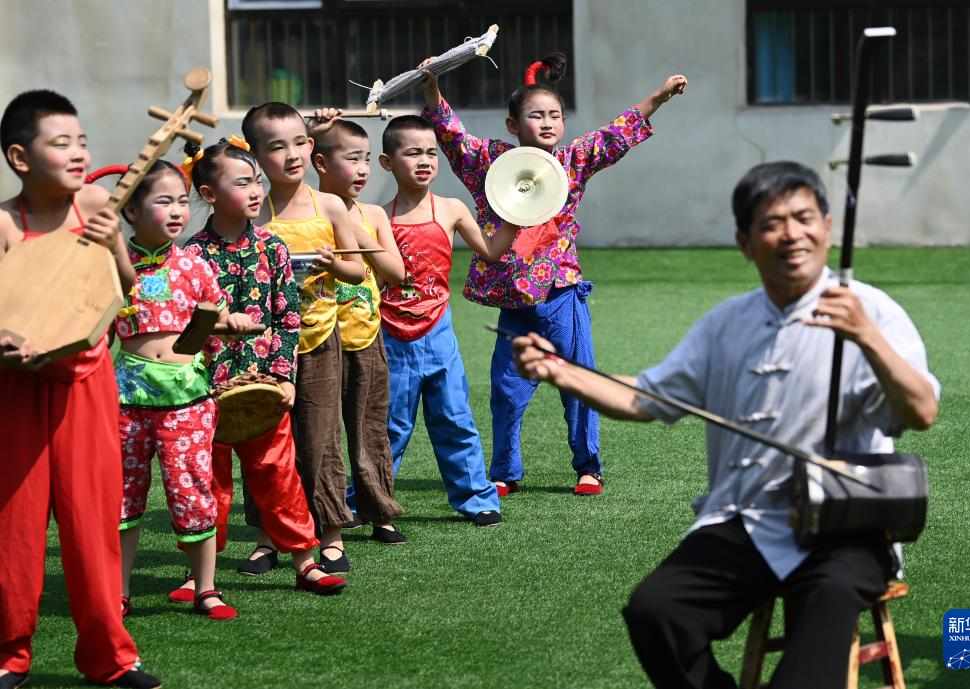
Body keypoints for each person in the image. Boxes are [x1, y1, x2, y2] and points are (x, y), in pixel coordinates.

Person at [512, 161, 940, 689]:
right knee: (655, 612)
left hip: (846, 527)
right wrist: (561, 371)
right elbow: (644, 398)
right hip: (746, 520)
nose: (792, 234)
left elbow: (921, 412)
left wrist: (867, 336)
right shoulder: (726, 323)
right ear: (745, 243)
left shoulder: (874, 311)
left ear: (827, 228)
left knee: (813, 658)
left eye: (804, 218)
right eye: (772, 223)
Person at [421, 52, 688, 496]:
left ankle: (588, 467)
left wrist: (658, 97)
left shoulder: (571, 161)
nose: (547, 122)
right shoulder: (490, 164)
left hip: (563, 296)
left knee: (580, 384)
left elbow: (614, 135)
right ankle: (505, 471)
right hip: (514, 303)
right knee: (506, 391)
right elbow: (452, 136)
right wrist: (431, 87)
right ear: (512, 124)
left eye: (555, 115)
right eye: (535, 115)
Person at [0, 90, 161, 688]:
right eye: (60, 143)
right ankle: (10, 653)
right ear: (20, 157)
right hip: (17, 389)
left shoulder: (95, 202)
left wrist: (114, 240)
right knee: (14, 525)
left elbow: (124, 286)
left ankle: (110, 657)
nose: (78, 154)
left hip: (86, 384)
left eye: (83, 142)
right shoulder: (4, 223)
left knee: (91, 522)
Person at [180, 138, 347, 595]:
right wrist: (217, 327)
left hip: (263, 389)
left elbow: (288, 318)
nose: (256, 191)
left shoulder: (273, 248)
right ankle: (198, 575)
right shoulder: (192, 256)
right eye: (242, 183)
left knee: (279, 475)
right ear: (209, 194)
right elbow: (184, 331)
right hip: (206, 393)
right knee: (207, 484)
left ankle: (305, 563)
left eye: (257, 181)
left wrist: (282, 377)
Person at [239, 102, 382, 573]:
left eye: (300, 142)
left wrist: (330, 263)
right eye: (276, 147)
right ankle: (267, 537)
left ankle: (331, 535)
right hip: (262, 348)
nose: (292, 154)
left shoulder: (330, 205)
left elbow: (357, 271)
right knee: (265, 445)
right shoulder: (253, 212)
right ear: (256, 156)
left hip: (319, 341)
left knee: (321, 441)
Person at [111, 160, 255, 621]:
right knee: (121, 497)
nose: (177, 210)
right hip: (125, 401)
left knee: (192, 491)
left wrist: (232, 323)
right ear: (130, 211)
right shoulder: (113, 268)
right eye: (163, 201)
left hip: (187, 401)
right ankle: (118, 591)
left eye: (181, 201)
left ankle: (205, 588)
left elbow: (216, 322)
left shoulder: (195, 266)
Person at [378, 115, 523, 526]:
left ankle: (477, 498)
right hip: (390, 335)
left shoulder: (451, 209)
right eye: (412, 153)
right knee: (390, 426)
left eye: (431, 152)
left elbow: (491, 251)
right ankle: (367, 502)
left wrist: (519, 212)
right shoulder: (377, 217)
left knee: (455, 419)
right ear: (387, 162)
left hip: (439, 332)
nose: (425, 160)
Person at [309, 110, 409, 544]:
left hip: (366, 335)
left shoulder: (373, 214)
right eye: (352, 159)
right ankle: (328, 515)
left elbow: (397, 272)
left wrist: (353, 230)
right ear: (320, 163)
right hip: (318, 339)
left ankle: (380, 512)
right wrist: (312, 130)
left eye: (367, 159)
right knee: (323, 434)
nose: (363, 169)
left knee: (370, 429)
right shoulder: (311, 211)